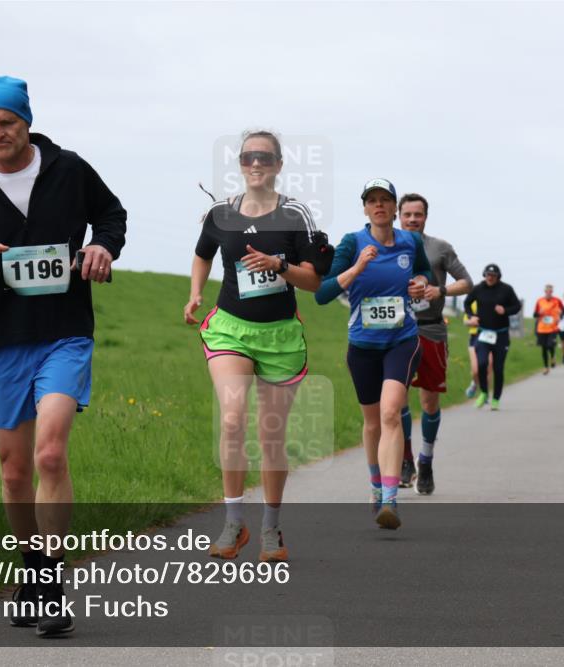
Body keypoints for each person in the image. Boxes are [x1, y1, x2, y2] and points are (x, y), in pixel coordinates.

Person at [0, 76, 127, 637]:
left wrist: (102, 245)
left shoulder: (69, 169)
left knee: (50, 455)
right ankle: (31, 572)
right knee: (14, 473)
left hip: (65, 333)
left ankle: (52, 587)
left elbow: (111, 215)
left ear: (26, 122)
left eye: (6, 122)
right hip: (2, 339)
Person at [185, 130, 330, 561]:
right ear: (240, 162)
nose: (256, 163)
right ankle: (233, 523)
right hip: (230, 329)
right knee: (232, 420)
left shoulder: (295, 214)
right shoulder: (220, 213)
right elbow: (203, 253)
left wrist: (279, 265)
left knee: (271, 435)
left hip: (280, 336)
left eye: (265, 157)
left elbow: (314, 281)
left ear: (279, 165)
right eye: (248, 156)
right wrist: (195, 292)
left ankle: (270, 527)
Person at [316, 178, 432, 528]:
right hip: (363, 346)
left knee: (391, 414)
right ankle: (375, 483)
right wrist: (356, 268)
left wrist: (421, 283)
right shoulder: (352, 243)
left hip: (402, 340)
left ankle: (390, 500)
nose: (379, 205)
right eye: (372, 200)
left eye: (385, 199)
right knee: (371, 424)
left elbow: (424, 272)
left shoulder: (410, 241)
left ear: (395, 208)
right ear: (365, 208)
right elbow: (322, 293)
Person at [397, 193, 472, 495]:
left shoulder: (439, 248)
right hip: (396, 331)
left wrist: (440, 290)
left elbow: (466, 282)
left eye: (418, 214)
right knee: (397, 398)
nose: (413, 219)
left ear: (426, 217)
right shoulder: (386, 246)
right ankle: (405, 460)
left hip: (430, 330)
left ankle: (425, 460)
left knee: (429, 401)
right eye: (407, 214)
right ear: (398, 216)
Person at [463, 264, 522, 410]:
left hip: (501, 334)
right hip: (483, 333)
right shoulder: (478, 288)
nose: (490, 278)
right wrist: (471, 316)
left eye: (493, 276)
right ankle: (484, 392)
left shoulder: (506, 289)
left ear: (498, 277)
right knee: (482, 364)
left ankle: (496, 399)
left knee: (498, 368)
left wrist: (505, 310)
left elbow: (517, 306)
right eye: (487, 275)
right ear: (484, 275)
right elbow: (467, 303)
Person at [533, 284, 564, 375]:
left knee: (550, 345)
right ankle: (546, 367)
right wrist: (539, 313)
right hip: (542, 328)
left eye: (550, 291)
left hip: (553, 328)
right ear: (545, 291)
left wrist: (560, 316)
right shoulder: (539, 301)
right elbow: (534, 315)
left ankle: (553, 357)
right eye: (547, 291)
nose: (549, 293)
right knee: (544, 348)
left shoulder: (557, 300)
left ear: (552, 292)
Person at [464, 299, 491, 399]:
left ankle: (485, 394)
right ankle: (474, 384)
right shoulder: (473, 302)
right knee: (475, 370)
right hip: (475, 336)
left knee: (488, 366)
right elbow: (465, 321)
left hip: (490, 336)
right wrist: (471, 322)